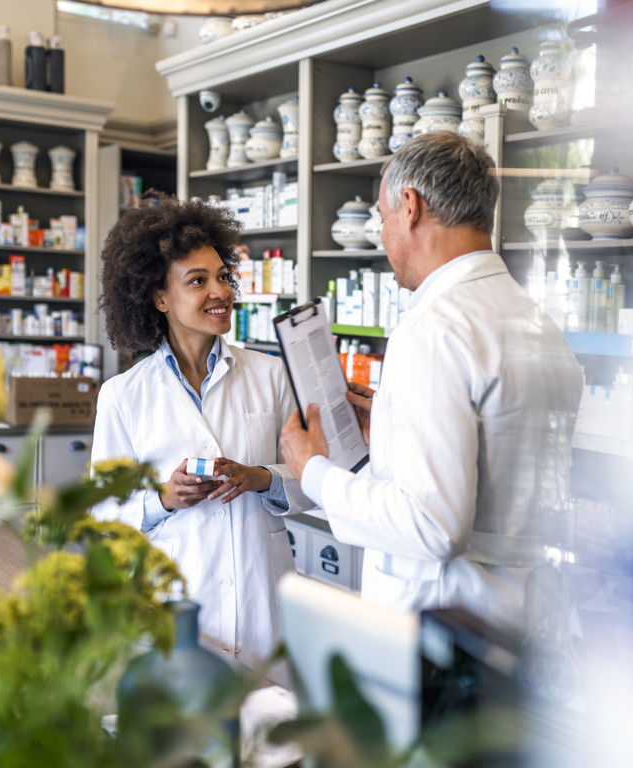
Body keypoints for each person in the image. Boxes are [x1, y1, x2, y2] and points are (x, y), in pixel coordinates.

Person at [280, 132, 583, 635]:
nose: (382, 234)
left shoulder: (436, 327)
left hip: (444, 629)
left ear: (410, 206)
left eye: (381, 218)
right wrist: (395, 435)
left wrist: (313, 472)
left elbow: (433, 524)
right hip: (519, 617)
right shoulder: (534, 321)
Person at [90, 190, 311, 668]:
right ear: (160, 297)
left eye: (223, 276)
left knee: (263, 734)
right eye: (198, 281)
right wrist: (162, 498)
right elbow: (105, 515)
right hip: (174, 602)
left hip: (260, 599)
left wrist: (262, 477)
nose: (221, 292)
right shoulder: (123, 395)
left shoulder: (271, 375)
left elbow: (316, 478)